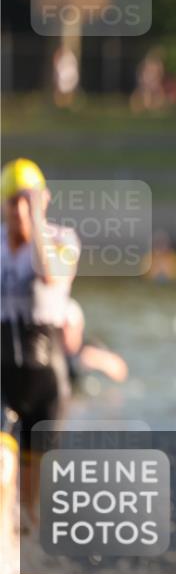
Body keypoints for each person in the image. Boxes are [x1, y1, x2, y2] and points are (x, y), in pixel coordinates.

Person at [0, 158, 80, 528]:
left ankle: (25, 538)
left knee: (31, 506)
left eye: (27, 200)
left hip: (46, 381)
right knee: (2, 462)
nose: (20, 210)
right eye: (12, 201)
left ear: (44, 200)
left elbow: (49, 275)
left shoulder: (63, 240)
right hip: (3, 378)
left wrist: (35, 224)